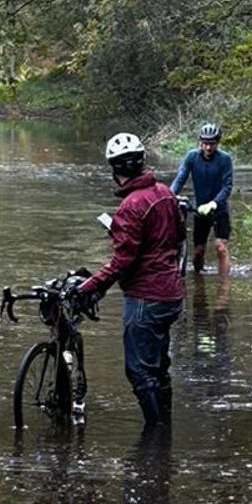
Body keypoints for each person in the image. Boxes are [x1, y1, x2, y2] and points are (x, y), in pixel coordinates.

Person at [77, 132, 185, 428]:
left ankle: (157, 437)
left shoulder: (130, 206)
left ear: (115, 170)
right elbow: (178, 236)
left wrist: (91, 285)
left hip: (145, 298)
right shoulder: (165, 193)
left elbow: (123, 260)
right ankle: (165, 432)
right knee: (159, 369)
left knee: (139, 371)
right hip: (171, 294)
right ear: (142, 162)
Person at [171, 122, 233, 300]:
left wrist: (215, 202)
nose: (208, 147)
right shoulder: (192, 157)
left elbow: (227, 186)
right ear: (200, 142)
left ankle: (224, 290)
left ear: (217, 143)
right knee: (198, 252)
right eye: (204, 142)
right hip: (200, 209)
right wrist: (168, 195)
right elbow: (181, 177)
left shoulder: (224, 159)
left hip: (219, 208)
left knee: (221, 247)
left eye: (211, 143)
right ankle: (199, 285)